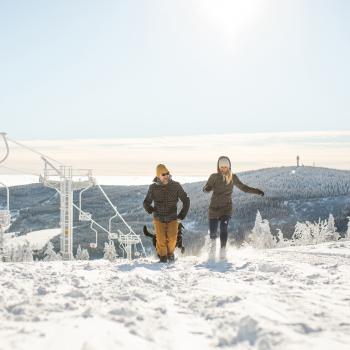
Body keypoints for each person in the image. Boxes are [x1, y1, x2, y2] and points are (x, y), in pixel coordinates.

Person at [203, 156, 264, 260]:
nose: (223, 169)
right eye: (221, 167)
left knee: (223, 228)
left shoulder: (233, 177)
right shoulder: (214, 176)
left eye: (225, 167)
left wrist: (257, 191)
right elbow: (205, 188)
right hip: (213, 209)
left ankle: (222, 251)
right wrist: (207, 188)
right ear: (218, 167)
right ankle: (212, 249)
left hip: (226, 209)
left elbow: (244, 188)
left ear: (229, 167)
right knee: (212, 232)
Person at [143, 164, 190, 262]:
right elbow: (146, 202)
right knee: (161, 240)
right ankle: (163, 257)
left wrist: (181, 215)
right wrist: (149, 209)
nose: (166, 176)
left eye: (167, 173)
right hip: (158, 218)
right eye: (163, 174)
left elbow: (186, 200)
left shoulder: (176, 186)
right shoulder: (153, 188)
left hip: (172, 218)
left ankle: (170, 254)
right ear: (158, 176)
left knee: (172, 239)